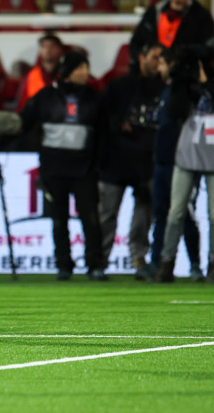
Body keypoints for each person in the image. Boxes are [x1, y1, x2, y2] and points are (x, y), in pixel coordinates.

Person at [154, 39, 214, 284]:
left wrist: (206, 82)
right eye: (211, 53)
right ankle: (166, 265)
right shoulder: (189, 83)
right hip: (187, 152)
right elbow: (172, 112)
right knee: (175, 212)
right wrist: (182, 83)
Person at [19, 52, 106, 281]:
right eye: (80, 68)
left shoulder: (93, 97)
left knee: (91, 219)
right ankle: (63, 265)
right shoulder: (45, 96)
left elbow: (103, 132)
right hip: (53, 168)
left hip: (85, 168)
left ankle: (95, 265)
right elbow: (23, 123)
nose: (85, 73)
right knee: (59, 220)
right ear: (68, 71)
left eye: (86, 68)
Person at [97, 42, 165, 278]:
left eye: (161, 59)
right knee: (106, 216)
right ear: (142, 57)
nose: (158, 63)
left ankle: (139, 260)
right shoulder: (119, 87)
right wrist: (115, 124)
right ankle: (99, 263)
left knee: (143, 217)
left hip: (146, 164)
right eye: (155, 57)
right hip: (115, 161)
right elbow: (100, 119)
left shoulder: (165, 90)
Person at [147, 48, 203, 281]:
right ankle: (157, 262)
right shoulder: (167, 90)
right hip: (163, 160)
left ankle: (195, 265)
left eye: (163, 63)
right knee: (161, 213)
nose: (159, 68)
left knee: (183, 214)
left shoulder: (188, 91)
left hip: (183, 161)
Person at [129, 0, 214, 64]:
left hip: (184, 69)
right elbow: (135, 41)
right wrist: (141, 59)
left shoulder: (201, 17)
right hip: (153, 70)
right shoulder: (153, 13)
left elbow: (205, 47)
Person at [16, 33, 64, 111]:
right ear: (40, 51)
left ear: (60, 50)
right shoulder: (30, 76)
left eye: (52, 46)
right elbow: (22, 106)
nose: (48, 50)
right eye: (44, 46)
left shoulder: (67, 75)